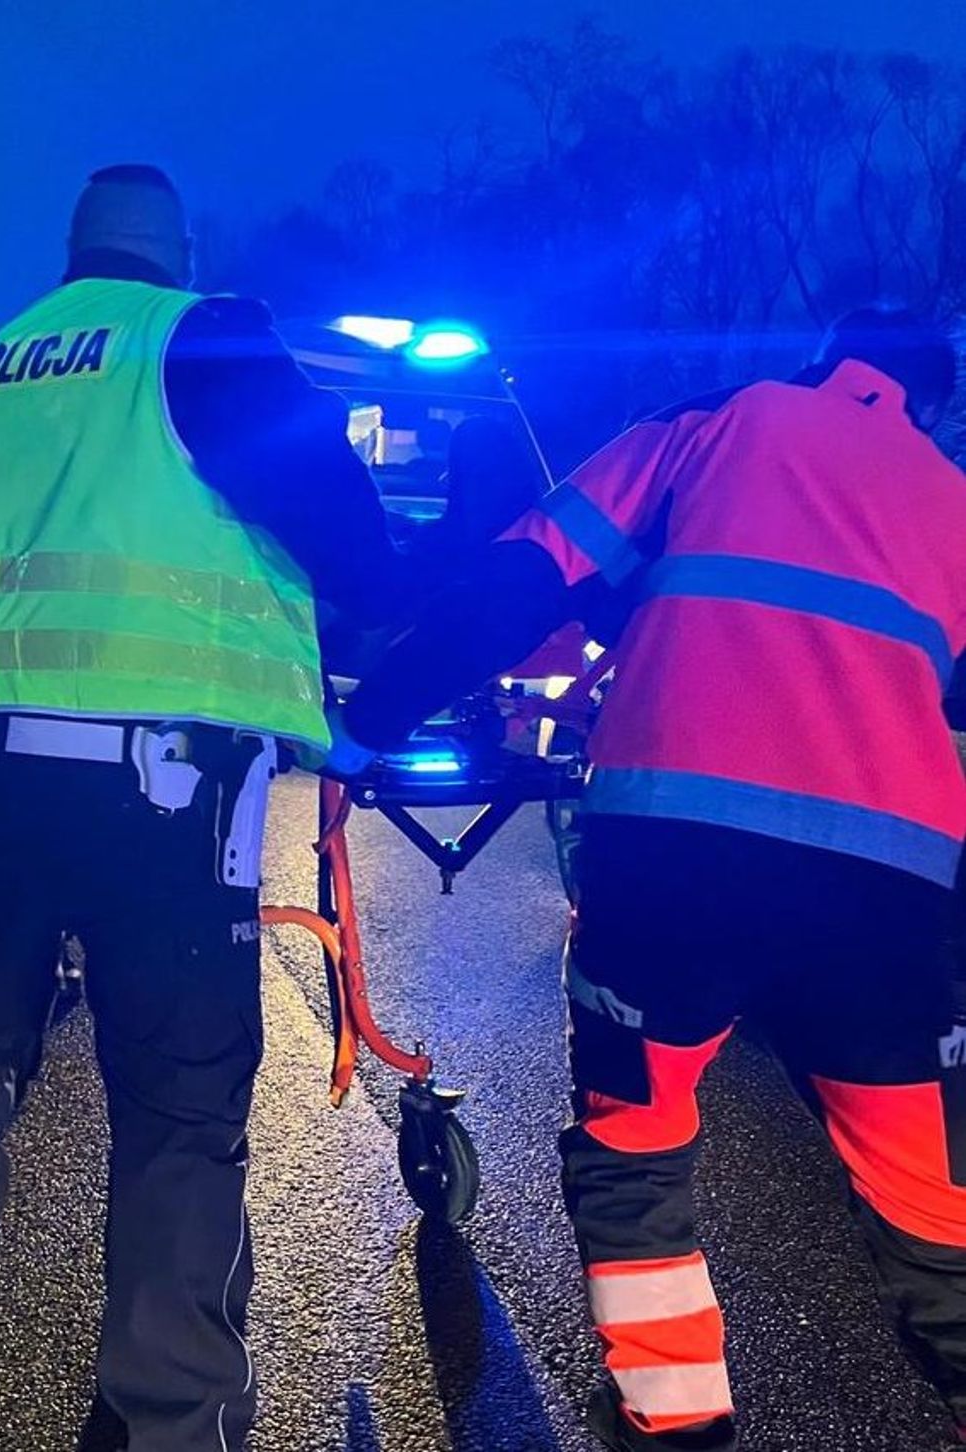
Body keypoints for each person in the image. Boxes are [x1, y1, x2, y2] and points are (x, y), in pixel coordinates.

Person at [341, 309, 966, 1450]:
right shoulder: (952, 498)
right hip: (892, 890)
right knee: (932, 1202)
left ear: (823, 363)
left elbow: (527, 575)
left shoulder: (721, 423)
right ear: (927, 401)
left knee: (636, 1144)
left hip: (679, 855)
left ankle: (675, 1423)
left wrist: (369, 722)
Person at [0, 163, 404, 1451]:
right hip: (159, 783)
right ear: (180, 249)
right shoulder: (201, 337)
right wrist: (403, 614)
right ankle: (168, 1411)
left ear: (75, 250)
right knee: (179, 1092)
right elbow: (338, 525)